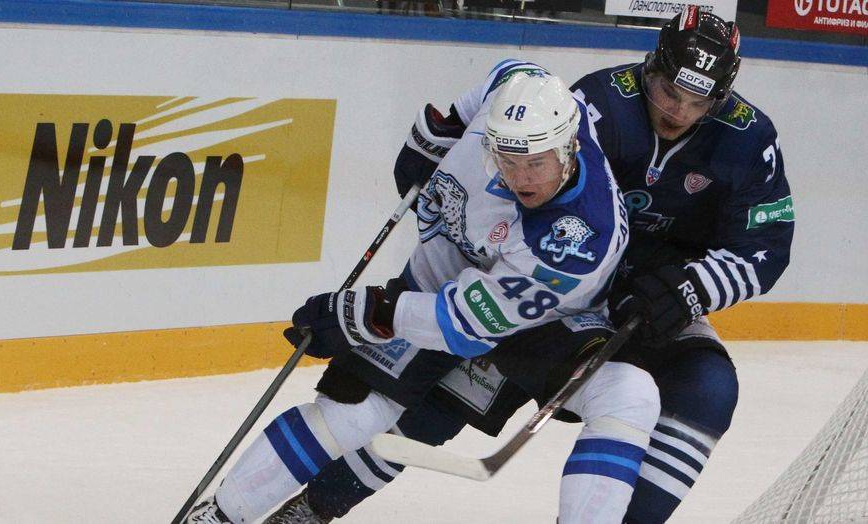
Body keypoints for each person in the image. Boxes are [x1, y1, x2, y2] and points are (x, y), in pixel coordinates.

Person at [278, 7, 795, 524]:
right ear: (651, 65)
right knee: (438, 406)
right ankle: (315, 506)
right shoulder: (598, 102)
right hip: (548, 292)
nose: (678, 112)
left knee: (708, 389)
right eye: (668, 92)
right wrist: (446, 160)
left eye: (698, 102)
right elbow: (514, 191)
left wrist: (690, 288)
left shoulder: (750, 140)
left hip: (651, 298)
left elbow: (766, 247)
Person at [185, 63, 659, 524]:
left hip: (547, 323)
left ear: (568, 146)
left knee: (624, 396)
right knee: (352, 412)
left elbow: (463, 326)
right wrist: (443, 131)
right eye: (509, 162)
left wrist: (362, 313)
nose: (522, 178)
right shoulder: (521, 87)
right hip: (444, 280)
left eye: (536, 163)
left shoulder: (575, 241)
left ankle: (316, 505)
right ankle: (221, 515)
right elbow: (506, 73)